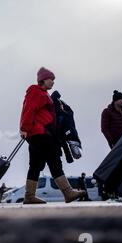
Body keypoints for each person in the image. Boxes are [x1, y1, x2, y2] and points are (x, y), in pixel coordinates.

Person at [20, 67, 86, 204]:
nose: (53, 82)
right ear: (43, 79)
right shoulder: (36, 92)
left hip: (42, 134)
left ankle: (30, 196)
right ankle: (67, 192)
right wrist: (24, 128)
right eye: (51, 79)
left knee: (38, 164)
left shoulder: (43, 94)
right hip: (40, 133)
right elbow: (29, 109)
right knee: (53, 161)